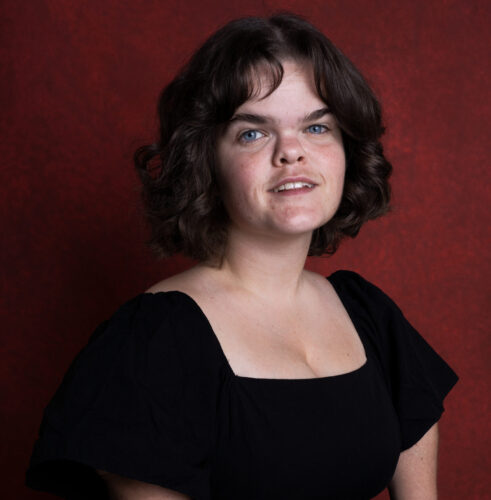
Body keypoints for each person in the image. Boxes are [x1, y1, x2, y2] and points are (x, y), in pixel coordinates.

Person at [26, 12, 458, 500]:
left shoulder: (370, 318)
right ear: (206, 161)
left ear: (347, 149)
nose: (292, 152)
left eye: (318, 128)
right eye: (253, 133)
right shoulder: (153, 342)